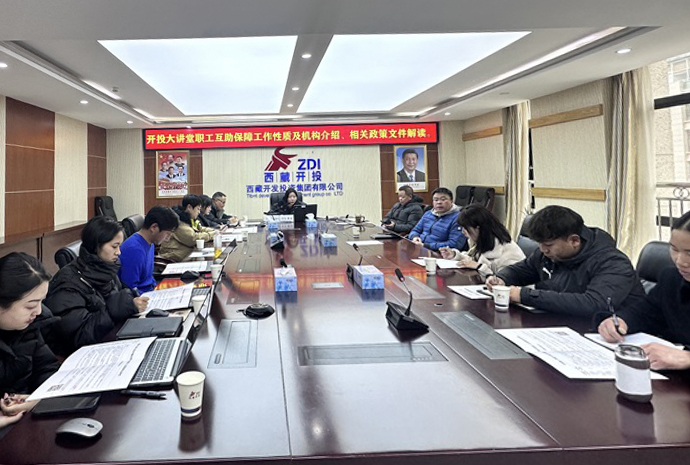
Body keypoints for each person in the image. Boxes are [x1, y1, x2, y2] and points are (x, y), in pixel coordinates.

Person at [486, 205, 646, 317]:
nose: (543, 250)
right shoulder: (549, 254)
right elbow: (523, 269)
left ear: (574, 241)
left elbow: (594, 304)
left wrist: (525, 296)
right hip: (562, 323)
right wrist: (502, 278)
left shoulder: (612, 262)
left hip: (613, 334)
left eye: (548, 245)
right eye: (540, 244)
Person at [598, 211, 690, 370]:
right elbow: (644, 313)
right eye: (674, 249)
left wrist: (687, 358)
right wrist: (620, 321)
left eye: (689, 253)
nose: (680, 261)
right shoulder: (672, 279)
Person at [44, 217, 149, 356]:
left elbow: (118, 297)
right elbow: (79, 336)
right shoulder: (67, 284)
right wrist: (115, 309)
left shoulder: (106, 268)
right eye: (114, 246)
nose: (119, 252)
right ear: (96, 246)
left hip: (111, 338)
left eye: (119, 246)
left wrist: (130, 301)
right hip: (85, 354)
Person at [0, 253, 60, 426]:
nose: (39, 311)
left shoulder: (29, 326)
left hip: (23, 420)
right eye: (31, 306)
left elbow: (47, 368)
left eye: (41, 302)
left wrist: (37, 398)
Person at [439, 204, 525, 278]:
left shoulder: (506, 250)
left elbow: (507, 280)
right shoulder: (484, 241)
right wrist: (455, 255)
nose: (463, 232)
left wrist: (480, 267)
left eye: (466, 228)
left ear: (478, 228)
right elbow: (473, 260)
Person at [119, 206, 180, 293]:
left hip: (152, 290)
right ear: (154, 227)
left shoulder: (150, 242)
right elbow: (130, 290)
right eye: (167, 234)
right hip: (143, 297)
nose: (168, 238)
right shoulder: (134, 250)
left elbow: (148, 278)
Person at [159, 194, 217, 262]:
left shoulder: (188, 219)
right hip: (173, 258)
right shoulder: (179, 222)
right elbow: (193, 238)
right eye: (198, 209)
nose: (199, 212)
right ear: (189, 207)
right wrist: (212, 234)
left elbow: (200, 228)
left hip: (185, 256)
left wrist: (214, 230)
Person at [408, 187, 466, 251]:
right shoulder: (428, 214)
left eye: (443, 199)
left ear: (451, 201)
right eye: (436, 200)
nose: (439, 202)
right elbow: (415, 230)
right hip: (420, 248)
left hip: (440, 253)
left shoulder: (458, 218)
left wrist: (426, 246)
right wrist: (415, 237)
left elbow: (455, 244)